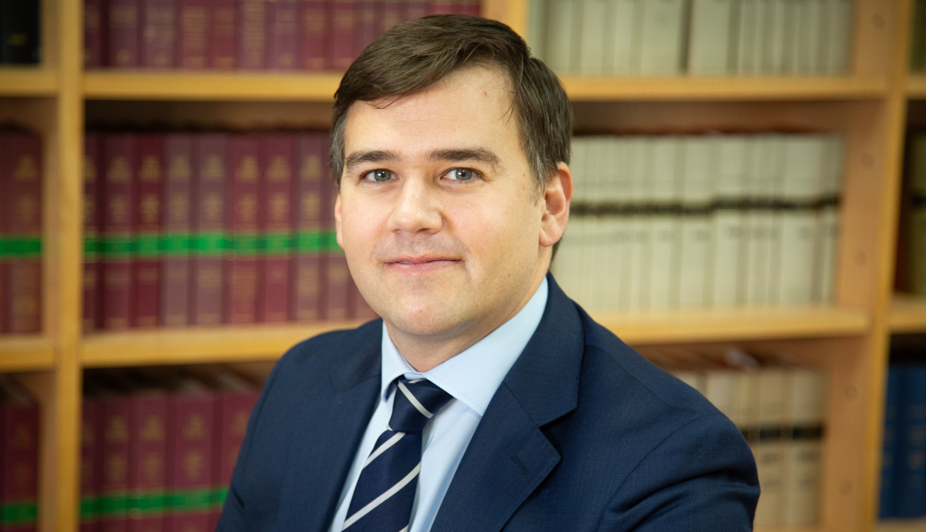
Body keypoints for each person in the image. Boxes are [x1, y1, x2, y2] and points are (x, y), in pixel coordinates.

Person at [216, 15, 759, 532]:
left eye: (459, 172)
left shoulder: (674, 463)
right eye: (377, 173)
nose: (411, 216)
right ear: (339, 212)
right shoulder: (301, 380)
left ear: (549, 205)